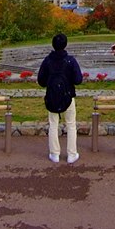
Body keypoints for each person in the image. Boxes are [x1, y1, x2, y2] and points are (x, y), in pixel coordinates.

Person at [37, 33, 83, 164]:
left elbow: (41, 81)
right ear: (65, 44)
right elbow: (78, 79)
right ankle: (72, 154)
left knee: (53, 124)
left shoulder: (47, 61)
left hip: (52, 96)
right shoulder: (70, 61)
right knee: (71, 124)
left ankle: (54, 153)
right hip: (68, 95)